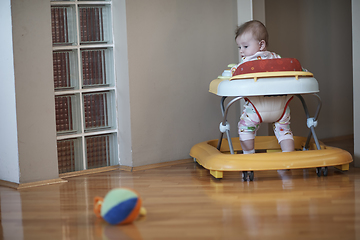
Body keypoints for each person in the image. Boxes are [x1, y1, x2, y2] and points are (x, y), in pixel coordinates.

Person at [231, 20, 295, 154]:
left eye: (245, 46)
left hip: (256, 109)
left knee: (245, 128)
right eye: (239, 47)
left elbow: (234, 78)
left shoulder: (244, 65)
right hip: (281, 108)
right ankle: (288, 159)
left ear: (261, 45)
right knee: (284, 131)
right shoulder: (278, 59)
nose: (241, 51)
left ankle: (249, 156)